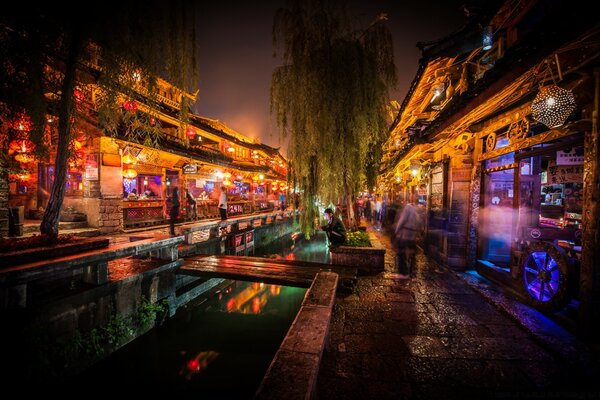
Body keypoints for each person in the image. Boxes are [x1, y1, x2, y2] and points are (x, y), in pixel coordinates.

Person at [393, 200, 423, 276]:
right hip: (412, 236)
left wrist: (396, 231)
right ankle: (412, 271)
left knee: (401, 252)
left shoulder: (407, 208)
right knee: (412, 253)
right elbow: (419, 223)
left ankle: (402, 273)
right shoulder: (416, 211)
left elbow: (402, 221)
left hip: (405, 235)